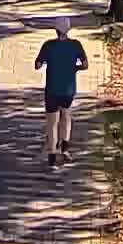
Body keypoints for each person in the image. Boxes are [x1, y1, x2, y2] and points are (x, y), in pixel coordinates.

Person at [34, 16, 89, 168]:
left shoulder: (48, 45)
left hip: (52, 89)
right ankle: (65, 149)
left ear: (55, 30)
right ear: (68, 29)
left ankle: (52, 155)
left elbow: (37, 65)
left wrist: (45, 62)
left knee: (52, 122)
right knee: (66, 116)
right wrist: (75, 68)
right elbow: (85, 65)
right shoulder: (76, 45)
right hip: (68, 89)